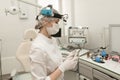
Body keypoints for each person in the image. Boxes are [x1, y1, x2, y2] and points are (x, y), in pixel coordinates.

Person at [29, 5, 78, 80]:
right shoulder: (37, 48)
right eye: (56, 22)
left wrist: (66, 61)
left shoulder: (52, 40)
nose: (58, 25)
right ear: (45, 22)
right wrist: (63, 67)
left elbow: (53, 63)